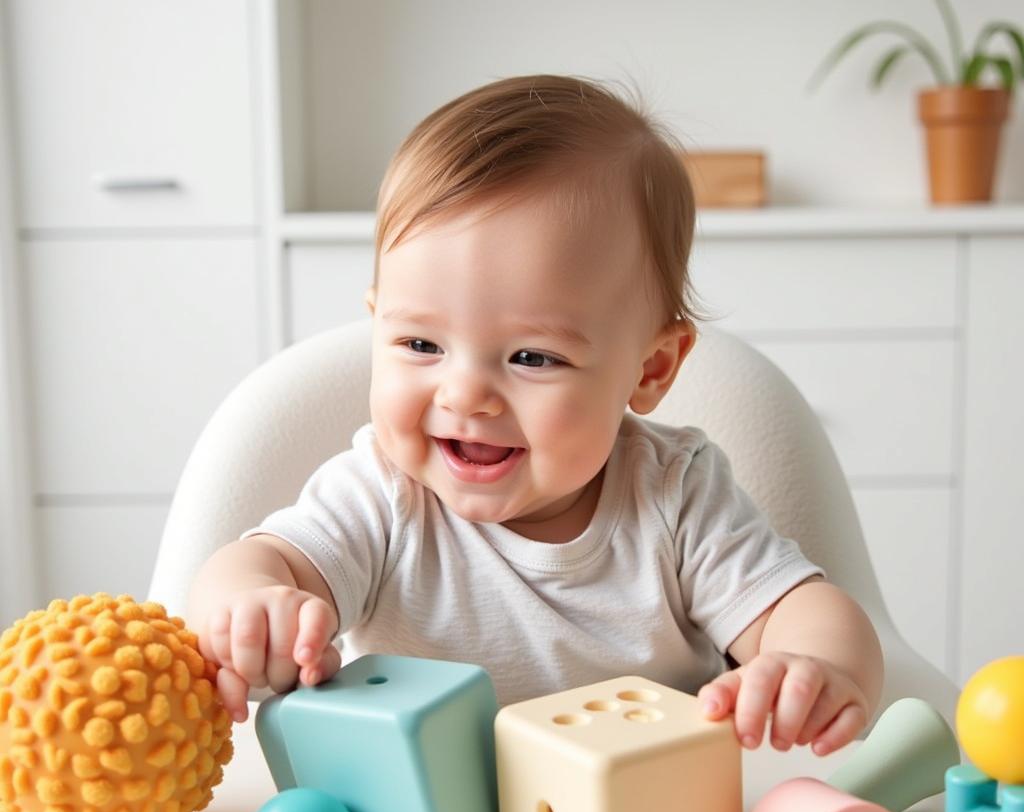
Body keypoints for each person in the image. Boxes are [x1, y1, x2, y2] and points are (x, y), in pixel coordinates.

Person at [186, 73, 882, 757]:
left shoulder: (674, 496)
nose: (465, 395)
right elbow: (259, 562)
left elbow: (805, 611)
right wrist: (251, 606)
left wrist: (813, 667)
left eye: (532, 358)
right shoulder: (383, 496)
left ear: (651, 369)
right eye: (421, 344)